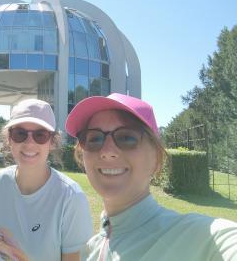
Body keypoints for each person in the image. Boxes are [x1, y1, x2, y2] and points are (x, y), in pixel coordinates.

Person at [65, 92, 237, 261]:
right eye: (94, 139)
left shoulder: (198, 238)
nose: (107, 152)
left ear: (157, 160)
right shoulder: (90, 250)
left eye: (126, 137)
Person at [0, 98, 93, 261]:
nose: (29, 143)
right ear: (9, 139)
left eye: (40, 135)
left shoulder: (71, 198)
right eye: (20, 133)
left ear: (52, 142)